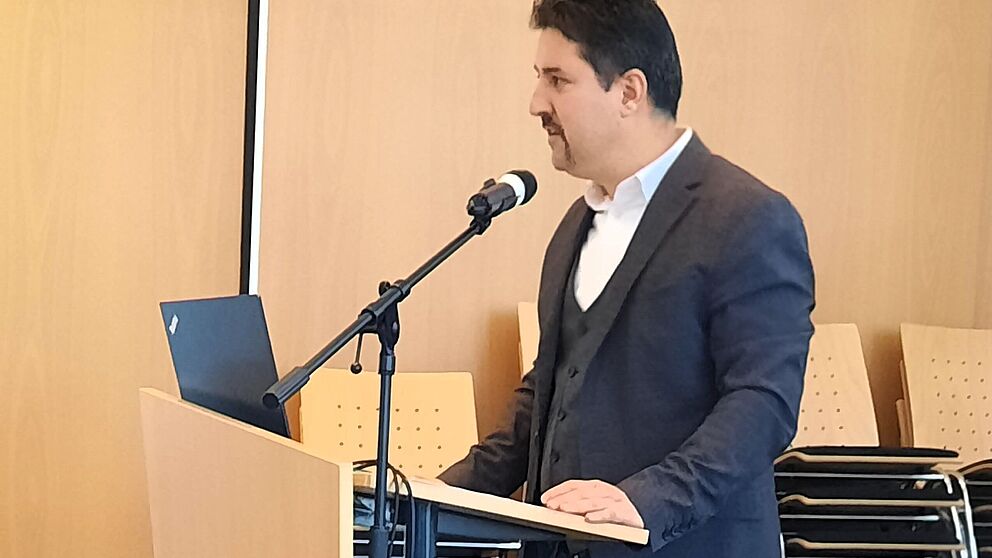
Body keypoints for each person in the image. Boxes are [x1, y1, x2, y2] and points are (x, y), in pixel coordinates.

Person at [439, 2, 815, 557]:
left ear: (629, 92)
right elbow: (552, 390)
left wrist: (648, 500)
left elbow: (763, 402)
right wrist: (438, 497)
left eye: (558, 80)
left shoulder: (749, 218)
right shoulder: (576, 225)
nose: (536, 103)